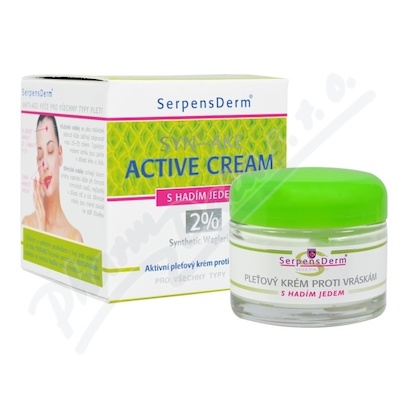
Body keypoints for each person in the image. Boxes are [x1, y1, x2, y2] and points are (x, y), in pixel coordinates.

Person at [22, 115, 83, 242]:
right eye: (40, 156)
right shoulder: (27, 224)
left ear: (60, 154)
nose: (45, 165)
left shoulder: (74, 237)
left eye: (50, 151)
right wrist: (40, 228)